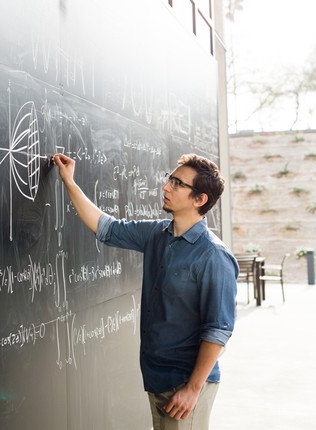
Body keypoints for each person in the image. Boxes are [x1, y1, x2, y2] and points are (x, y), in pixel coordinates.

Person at [53, 152, 238, 430]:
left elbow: (218, 329)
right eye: (170, 179)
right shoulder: (158, 235)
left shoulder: (214, 256)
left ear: (199, 199)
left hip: (184, 384)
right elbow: (107, 228)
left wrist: (192, 389)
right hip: (157, 377)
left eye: (178, 184)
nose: (166, 187)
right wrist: (69, 181)